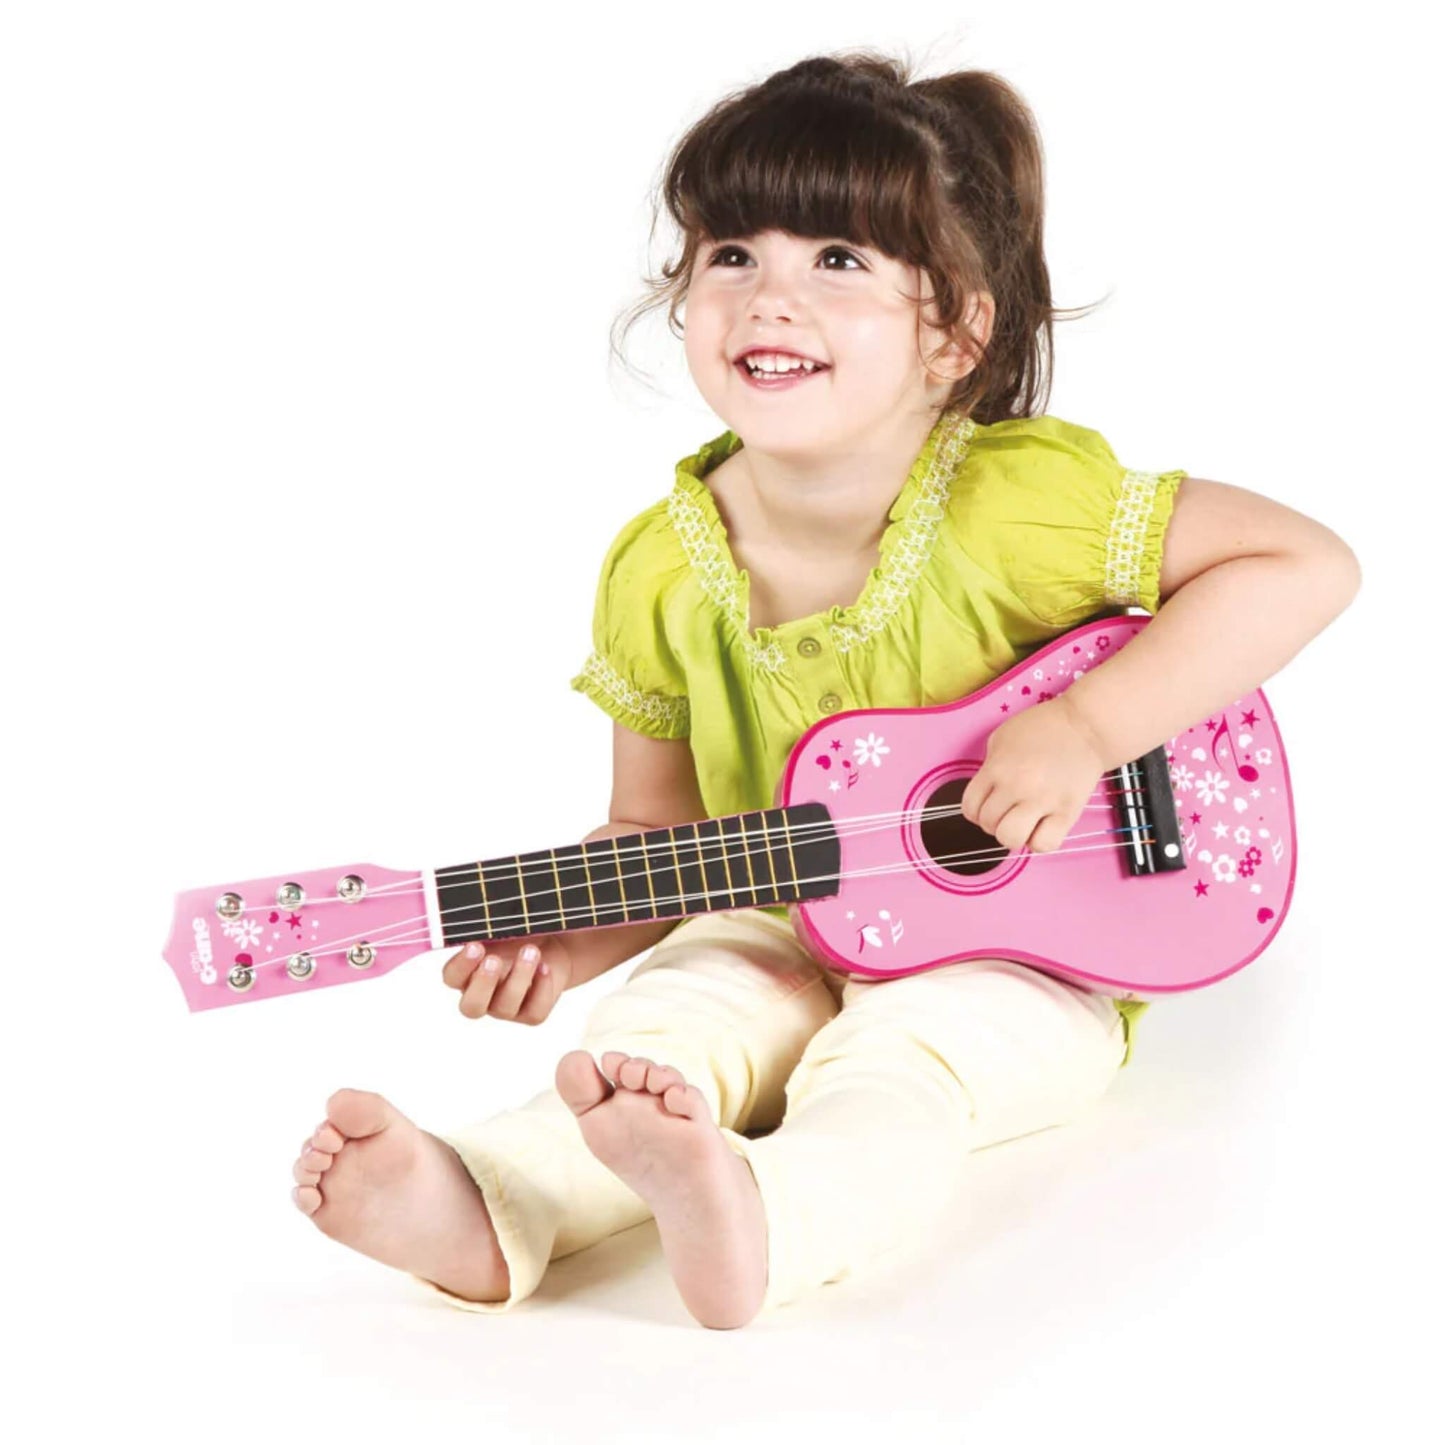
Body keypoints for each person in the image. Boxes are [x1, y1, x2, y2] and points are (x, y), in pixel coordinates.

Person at [288, 50, 1360, 1329]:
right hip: (779, 918)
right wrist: (570, 933)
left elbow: (1303, 562)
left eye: (836, 260)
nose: (767, 298)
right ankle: (490, 1200)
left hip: (1035, 951)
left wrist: (1085, 726)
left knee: (899, 1059)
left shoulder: (1018, 504)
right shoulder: (657, 572)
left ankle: (766, 1217)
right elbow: (655, 836)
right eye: (730, 251)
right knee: (661, 1028)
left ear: (953, 331)